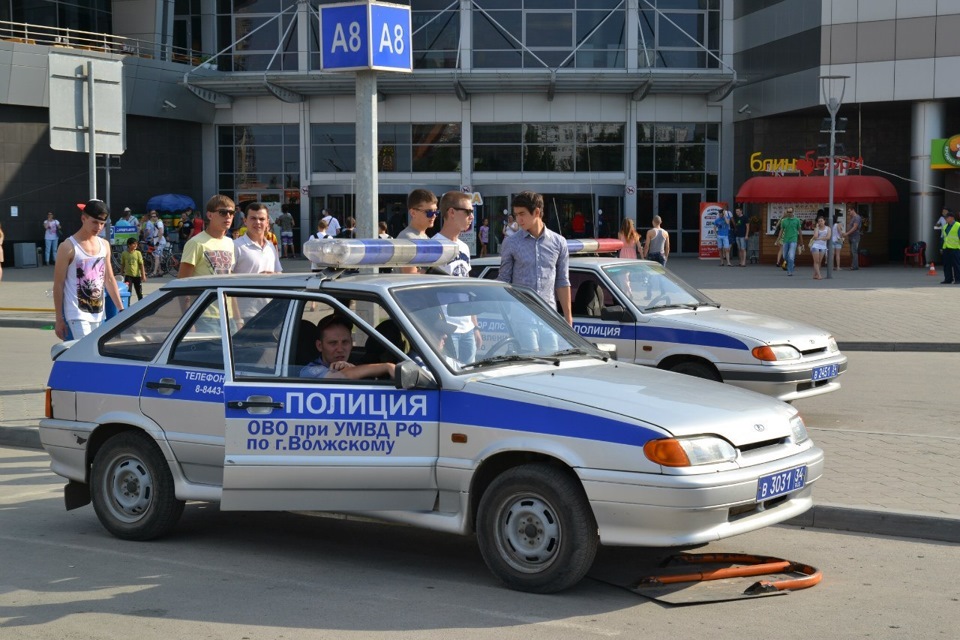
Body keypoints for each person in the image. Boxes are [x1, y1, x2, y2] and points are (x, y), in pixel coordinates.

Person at [498, 190, 573, 326]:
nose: (518, 220)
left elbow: (562, 281)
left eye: (522, 214)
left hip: (550, 317)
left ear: (537, 212)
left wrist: (568, 318)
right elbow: (503, 280)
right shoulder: (511, 242)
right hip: (522, 316)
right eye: (516, 215)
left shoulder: (559, 242)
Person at [53, 200, 124, 340]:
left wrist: (121, 309)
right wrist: (59, 319)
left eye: (102, 223)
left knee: (92, 356)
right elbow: (58, 284)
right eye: (95, 222)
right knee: (87, 353)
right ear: (83, 218)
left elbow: (109, 279)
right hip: (77, 313)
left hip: (98, 311)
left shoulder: (104, 245)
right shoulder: (68, 247)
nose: (98, 227)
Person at [435, 191, 482, 363]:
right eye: (468, 212)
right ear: (451, 212)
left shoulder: (464, 247)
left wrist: (475, 326)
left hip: (467, 328)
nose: (471, 216)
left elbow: (466, 286)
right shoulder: (434, 246)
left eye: (473, 212)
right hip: (446, 329)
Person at [300, 315, 396, 380]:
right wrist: (387, 367)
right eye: (333, 343)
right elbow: (342, 376)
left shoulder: (353, 363)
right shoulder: (310, 371)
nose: (340, 349)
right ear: (320, 346)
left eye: (345, 342)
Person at [178, 195, 236, 278]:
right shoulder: (195, 243)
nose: (228, 216)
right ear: (210, 215)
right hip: (202, 291)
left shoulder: (229, 242)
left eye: (232, 213)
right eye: (222, 212)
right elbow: (182, 281)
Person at [398, 189, 439, 274]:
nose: (434, 216)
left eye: (436, 211)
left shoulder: (425, 238)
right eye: (429, 212)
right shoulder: (407, 238)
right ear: (413, 213)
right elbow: (410, 277)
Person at [233, 203, 282, 274]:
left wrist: (274, 274)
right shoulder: (235, 246)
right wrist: (257, 278)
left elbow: (278, 272)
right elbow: (226, 277)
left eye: (262, 219)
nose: (257, 222)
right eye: (253, 218)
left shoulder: (270, 246)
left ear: (267, 222)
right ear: (245, 221)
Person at [120, 237, 146, 301]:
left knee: (139, 292)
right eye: (134, 244)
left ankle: (141, 306)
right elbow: (122, 264)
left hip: (137, 276)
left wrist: (143, 275)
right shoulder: (124, 253)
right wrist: (121, 274)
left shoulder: (138, 253)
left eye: (136, 244)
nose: (135, 245)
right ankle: (128, 307)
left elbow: (141, 264)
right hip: (128, 276)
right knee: (128, 292)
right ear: (129, 245)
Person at [777, 208, 801, 276]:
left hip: (793, 239)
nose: (789, 213)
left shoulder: (797, 220)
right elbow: (781, 230)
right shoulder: (784, 221)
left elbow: (799, 231)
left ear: (793, 212)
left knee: (791, 255)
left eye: (790, 212)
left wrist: (801, 242)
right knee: (784, 256)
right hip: (785, 240)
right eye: (788, 212)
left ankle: (790, 271)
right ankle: (791, 263)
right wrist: (778, 239)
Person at [940, 208, 960, 284]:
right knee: (946, 265)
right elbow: (943, 238)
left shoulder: (958, 226)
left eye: (946, 218)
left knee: (956, 265)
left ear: (951, 218)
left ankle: (958, 279)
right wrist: (941, 248)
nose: (945, 220)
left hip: (955, 249)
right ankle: (948, 279)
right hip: (946, 248)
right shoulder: (945, 227)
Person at [146, 211, 167, 277]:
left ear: (157, 217)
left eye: (154, 216)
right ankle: (160, 271)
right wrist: (153, 239)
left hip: (160, 242)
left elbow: (161, 232)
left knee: (156, 257)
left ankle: (154, 272)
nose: (153, 217)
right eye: (152, 216)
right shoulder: (156, 223)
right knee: (157, 257)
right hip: (158, 241)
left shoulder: (159, 223)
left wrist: (157, 242)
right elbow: (157, 232)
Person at [810, 215, 831, 280]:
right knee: (816, 261)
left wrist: (820, 238)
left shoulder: (828, 228)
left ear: (824, 221)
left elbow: (828, 237)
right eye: (819, 221)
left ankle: (815, 274)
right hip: (816, 245)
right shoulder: (817, 229)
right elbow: (815, 236)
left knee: (819, 261)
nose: (820, 222)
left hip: (823, 246)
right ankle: (819, 275)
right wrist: (816, 228)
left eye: (821, 221)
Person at [843, 205, 862, 270]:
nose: (849, 213)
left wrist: (847, 233)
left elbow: (855, 227)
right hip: (851, 237)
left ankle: (855, 266)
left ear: (853, 210)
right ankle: (854, 265)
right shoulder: (852, 218)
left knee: (854, 251)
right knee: (852, 251)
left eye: (849, 211)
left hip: (855, 237)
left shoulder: (857, 217)